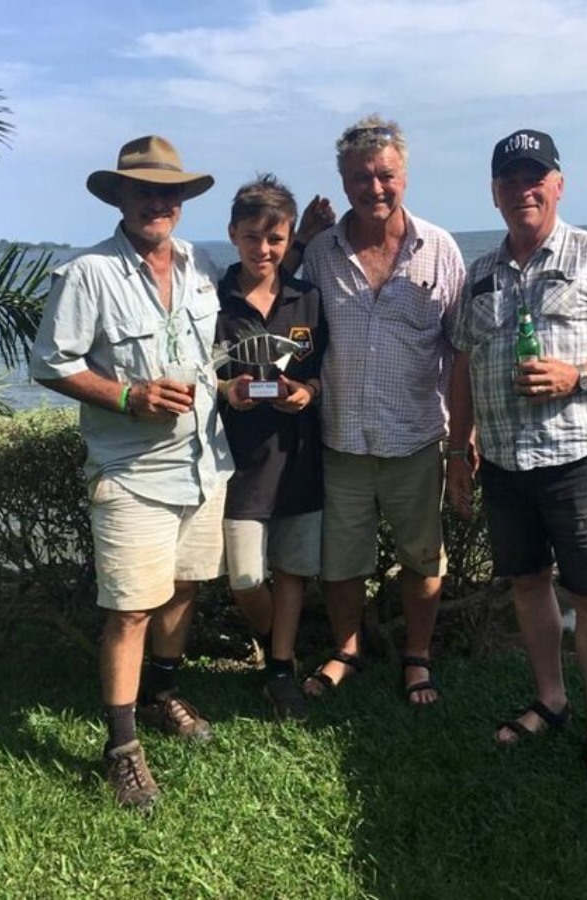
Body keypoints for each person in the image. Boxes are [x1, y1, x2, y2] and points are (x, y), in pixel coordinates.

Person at [446, 128, 587, 793]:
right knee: (528, 584)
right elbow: (461, 363)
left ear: (558, 185)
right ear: (494, 194)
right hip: (505, 464)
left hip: (576, 458)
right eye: (509, 180)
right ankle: (550, 699)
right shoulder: (479, 274)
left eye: (535, 177)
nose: (523, 190)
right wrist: (459, 446)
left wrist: (580, 377)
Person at [29, 135, 233, 809]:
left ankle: (161, 695)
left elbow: (211, 351)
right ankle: (121, 748)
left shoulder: (198, 262)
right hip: (131, 470)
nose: (158, 201)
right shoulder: (87, 273)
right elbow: (51, 363)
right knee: (130, 609)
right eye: (145, 189)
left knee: (181, 591)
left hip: (203, 461)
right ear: (119, 196)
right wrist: (127, 396)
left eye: (169, 192)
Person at [300, 114, 466, 704]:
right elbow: (268, 301)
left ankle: (417, 655)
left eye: (386, 175)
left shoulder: (440, 250)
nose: (375, 188)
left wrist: (461, 443)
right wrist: (295, 239)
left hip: (416, 441)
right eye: (361, 178)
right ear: (343, 182)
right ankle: (347, 649)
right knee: (341, 564)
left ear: (405, 174)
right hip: (341, 440)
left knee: (424, 560)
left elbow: (461, 350)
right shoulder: (319, 253)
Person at [215, 174, 330, 721]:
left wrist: (307, 392)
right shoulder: (212, 300)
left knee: (293, 572)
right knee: (244, 578)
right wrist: (225, 391)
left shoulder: (308, 299)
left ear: (289, 240)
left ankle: (279, 667)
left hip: (301, 460)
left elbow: (328, 374)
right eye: (253, 237)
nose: (264, 250)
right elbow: (195, 376)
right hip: (239, 467)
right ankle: (277, 640)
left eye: (276, 239)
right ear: (233, 234)